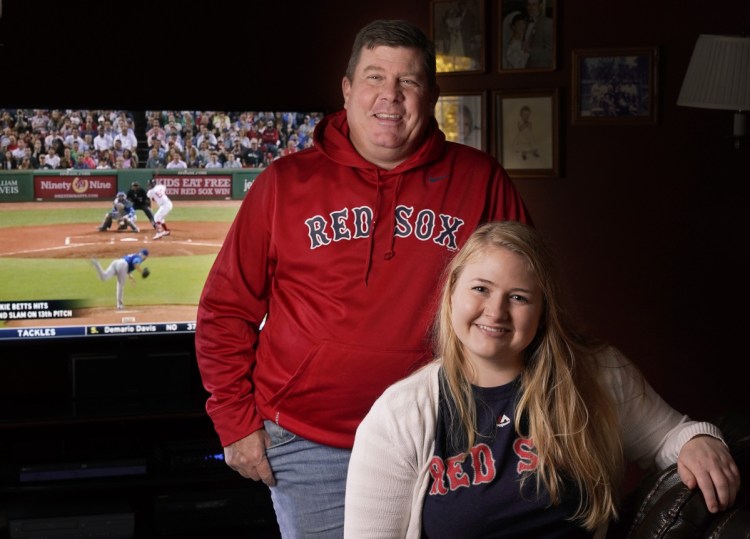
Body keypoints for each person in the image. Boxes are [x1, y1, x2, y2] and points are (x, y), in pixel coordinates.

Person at [194, 19, 531, 538]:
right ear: (347, 90)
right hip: (311, 445)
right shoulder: (283, 184)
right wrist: (236, 424)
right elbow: (225, 311)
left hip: (446, 435)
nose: (390, 96)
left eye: (409, 82)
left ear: (432, 95)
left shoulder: (480, 180)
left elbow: (525, 304)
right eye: (374, 77)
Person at [344, 220, 741, 538]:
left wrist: (698, 440)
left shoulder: (597, 373)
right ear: (452, 294)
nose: (495, 312)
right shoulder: (400, 415)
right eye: (480, 289)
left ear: (543, 309)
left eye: (518, 297)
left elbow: (669, 435)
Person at [524, 0, 554, 69]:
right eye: (528, 4)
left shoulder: (548, 23)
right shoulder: (525, 22)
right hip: (526, 67)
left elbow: (551, 53)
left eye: (534, 4)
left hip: (541, 68)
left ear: (540, 5)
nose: (531, 7)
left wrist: (530, 50)